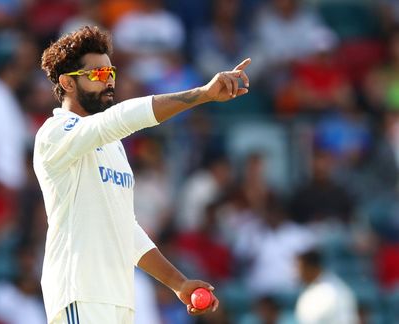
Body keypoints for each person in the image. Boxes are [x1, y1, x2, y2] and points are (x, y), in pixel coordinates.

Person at [34, 25, 250, 324]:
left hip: (120, 299)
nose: (108, 81)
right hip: (79, 293)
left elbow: (126, 228)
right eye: (97, 75)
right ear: (67, 84)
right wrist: (201, 94)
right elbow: (120, 119)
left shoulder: (113, 146)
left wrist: (178, 284)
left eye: (111, 73)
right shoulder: (55, 133)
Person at [295, 249, 359, 324]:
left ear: (311, 267)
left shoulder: (336, 291)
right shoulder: (309, 289)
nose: (296, 273)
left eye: (299, 268)